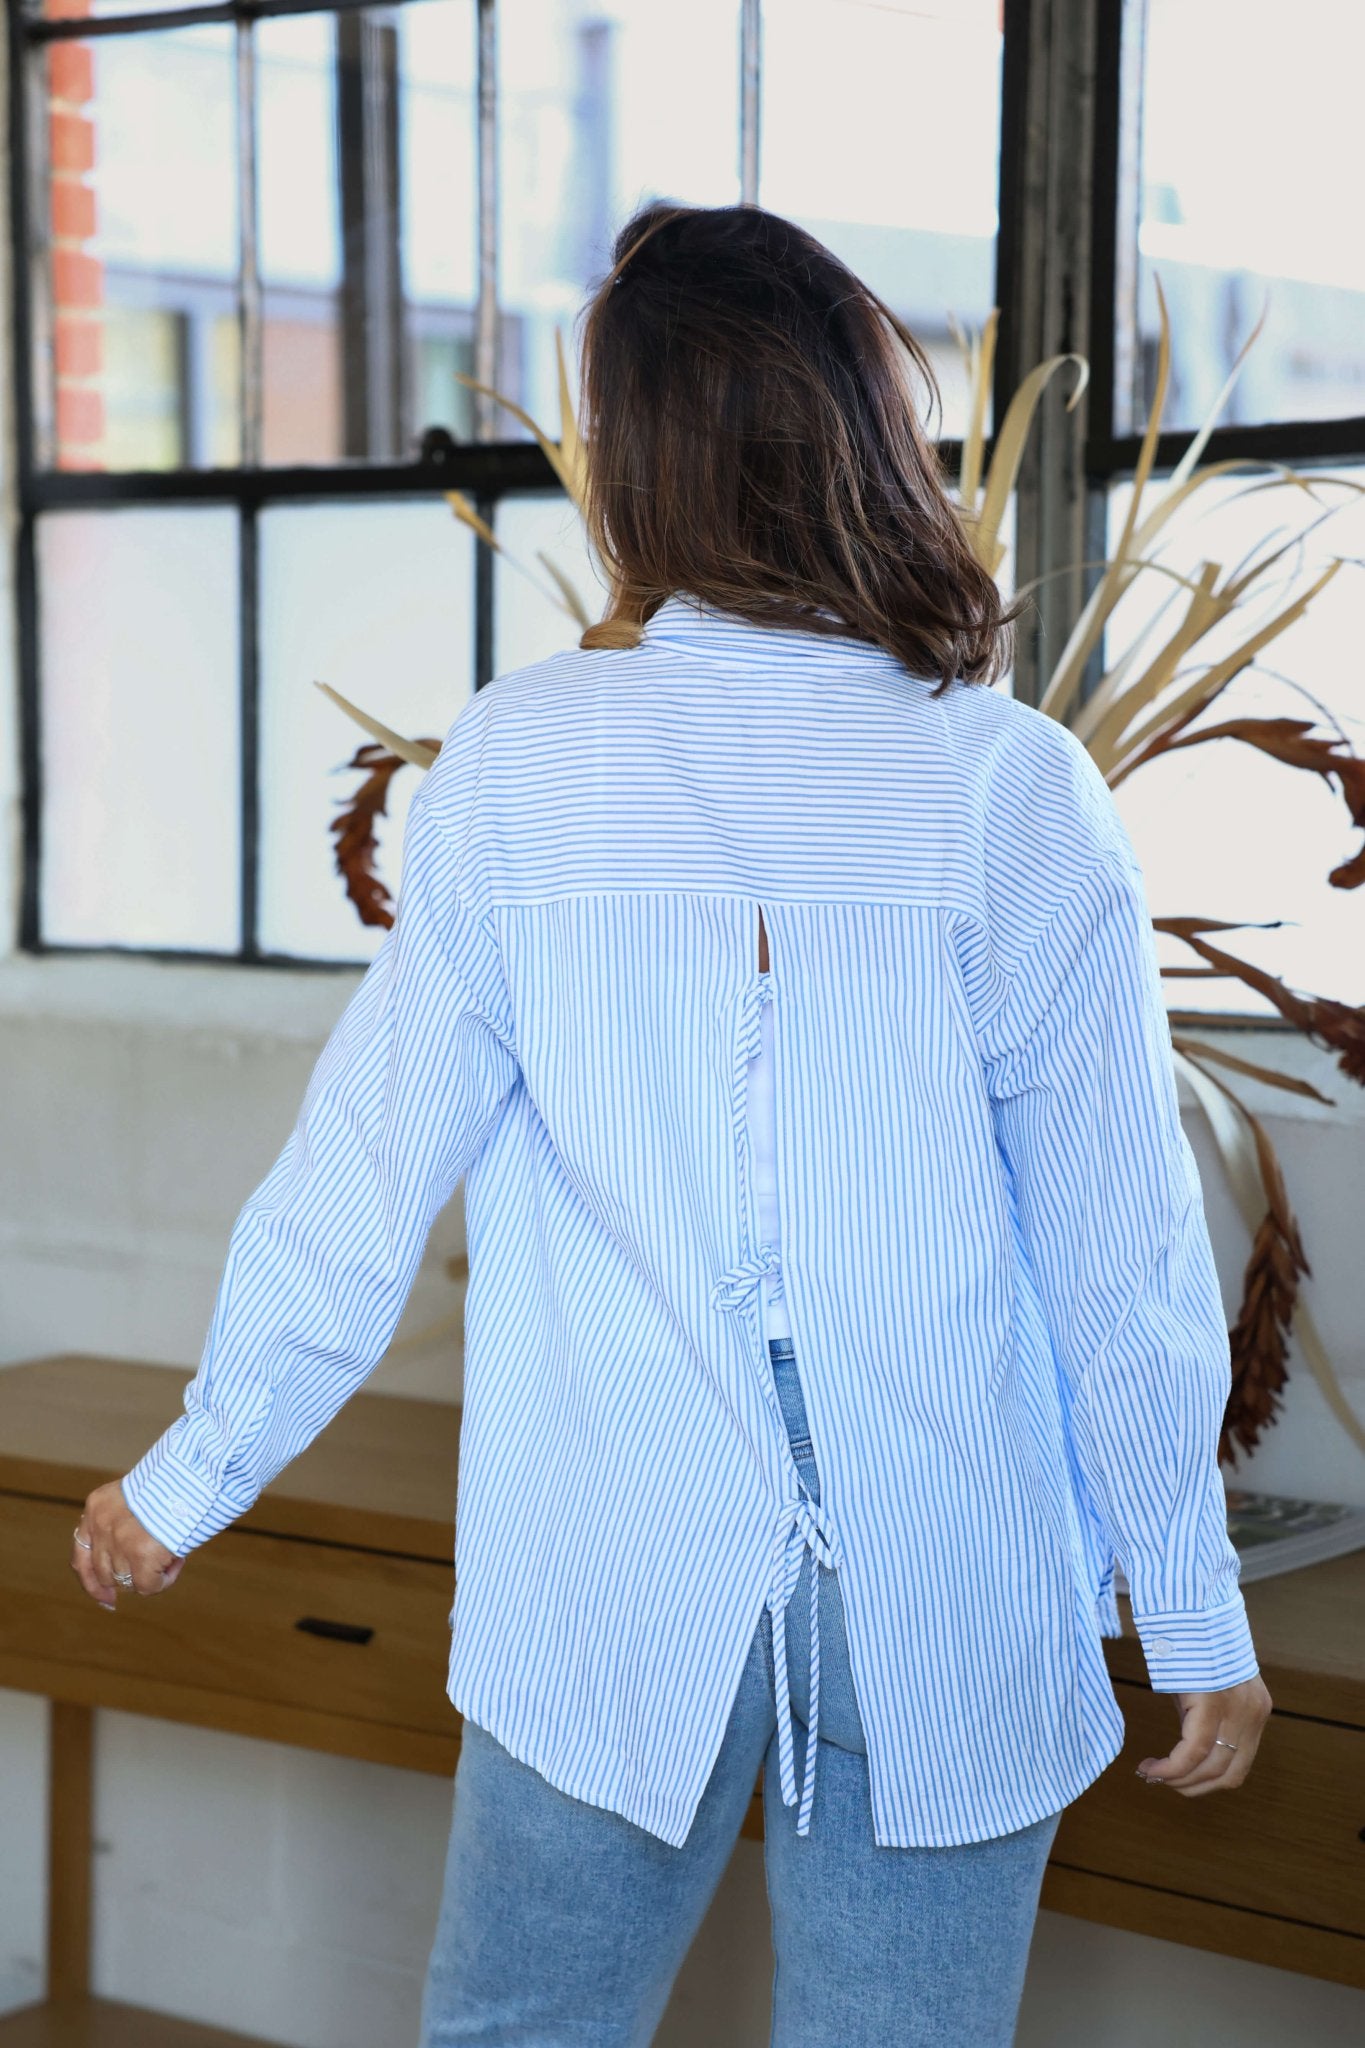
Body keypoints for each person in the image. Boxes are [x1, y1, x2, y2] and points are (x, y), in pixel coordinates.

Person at [71, 202, 1273, 2047]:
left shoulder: (524, 768)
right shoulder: (1008, 785)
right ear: (868, 436)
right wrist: (1187, 1608)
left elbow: (363, 1170)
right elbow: (1117, 1252)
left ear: (636, 466)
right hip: (950, 1576)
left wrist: (189, 1478)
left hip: (615, 1558)